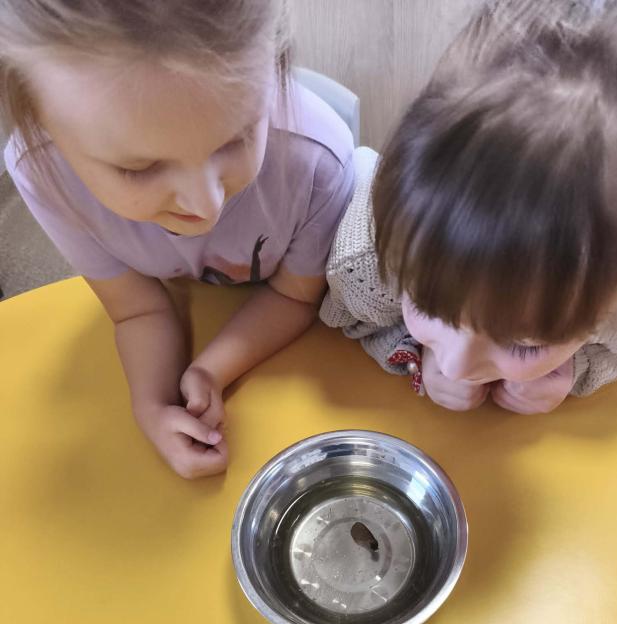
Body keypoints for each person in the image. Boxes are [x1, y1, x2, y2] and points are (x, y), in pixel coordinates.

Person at [1, 0, 354, 475]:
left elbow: (294, 295)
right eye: (139, 168)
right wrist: (151, 405)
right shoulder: (42, 172)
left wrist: (212, 369)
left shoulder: (320, 165)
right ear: (43, 128)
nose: (205, 205)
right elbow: (137, 308)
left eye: (237, 137)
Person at [321, 0, 617, 414]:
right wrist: (412, 351)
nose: (457, 365)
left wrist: (576, 369)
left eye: (524, 345)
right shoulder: (371, 259)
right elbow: (348, 314)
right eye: (426, 305)